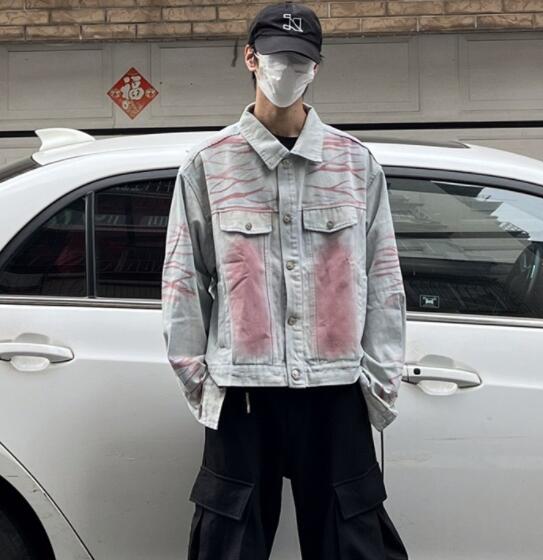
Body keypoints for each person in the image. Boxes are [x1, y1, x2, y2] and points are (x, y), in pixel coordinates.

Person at [161, 2, 409, 558]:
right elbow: (183, 283)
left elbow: (384, 280)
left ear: (315, 67)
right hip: (243, 390)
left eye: (301, 60)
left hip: (336, 387)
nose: (288, 70)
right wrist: (202, 383)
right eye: (277, 58)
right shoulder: (208, 166)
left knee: (355, 543)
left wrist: (377, 382)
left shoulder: (355, 165)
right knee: (228, 544)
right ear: (251, 58)